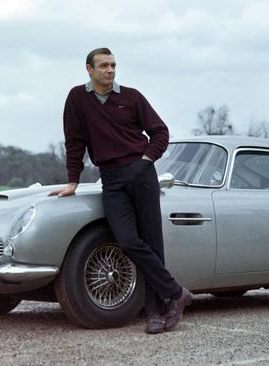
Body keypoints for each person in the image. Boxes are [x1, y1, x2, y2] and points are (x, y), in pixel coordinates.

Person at [48, 47, 192, 334]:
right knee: (127, 240)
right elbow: (74, 141)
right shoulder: (77, 98)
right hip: (111, 178)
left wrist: (145, 160)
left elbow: (160, 132)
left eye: (113, 65)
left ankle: (154, 312)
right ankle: (177, 293)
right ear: (89, 69)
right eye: (103, 65)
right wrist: (73, 181)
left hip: (141, 174)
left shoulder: (132, 96)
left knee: (152, 243)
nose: (110, 70)